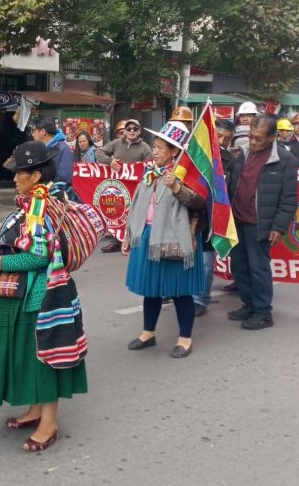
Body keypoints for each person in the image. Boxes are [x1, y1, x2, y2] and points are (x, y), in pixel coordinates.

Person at [0, 140, 87, 452]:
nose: (14, 178)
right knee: (29, 354)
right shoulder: (32, 202)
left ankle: (49, 423)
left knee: (42, 358)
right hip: (26, 293)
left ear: (36, 176)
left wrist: (3, 262)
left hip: (40, 296)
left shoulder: (39, 205)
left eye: (20, 172)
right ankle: (36, 410)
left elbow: (40, 255)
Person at [123, 121, 206, 358]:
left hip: (175, 240)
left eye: (161, 147)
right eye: (155, 146)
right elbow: (139, 204)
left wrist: (177, 187)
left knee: (180, 291)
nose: (155, 150)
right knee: (151, 289)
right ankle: (148, 333)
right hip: (148, 236)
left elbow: (199, 202)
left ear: (174, 152)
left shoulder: (185, 173)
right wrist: (130, 234)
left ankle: (185, 338)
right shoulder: (150, 172)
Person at [226, 115, 298, 330]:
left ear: (271, 137)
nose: (253, 142)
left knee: (259, 269)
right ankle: (248, 305)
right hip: (236, 220)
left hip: (260, 224)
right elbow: (233, 184)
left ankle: (263, 312)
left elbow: (289, 199)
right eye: (251, 137)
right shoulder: (243, 154)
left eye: (258, 139)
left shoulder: (285, 160)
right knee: (240, 266)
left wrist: (279, 227)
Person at [193, 119, 235, 316]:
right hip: (190, 217)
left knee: (206, 264)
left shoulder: (231, 161)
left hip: (211, 220)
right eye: (218, 135)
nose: (222, 141)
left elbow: (233, 191)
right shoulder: (194, 155)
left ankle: (201, 300)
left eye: (227, 138)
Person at [97, 119, 152, 252]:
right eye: (129, 129)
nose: (132, 131)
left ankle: (134, 240)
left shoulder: (145, 148)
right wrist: (109, 161)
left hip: (136, 187)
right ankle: (116, 241)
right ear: (125, 131)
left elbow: (150, 167)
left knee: (135, 214)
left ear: (139, 131)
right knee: (118, 213)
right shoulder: (116, 143)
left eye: (135, 129)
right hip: (118, 188)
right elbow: (99, 153)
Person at [29, 118, 74, 187]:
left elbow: (64, 179)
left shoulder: (62, 149)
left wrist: (46, 190)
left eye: (33, 131)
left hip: (55, 195)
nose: (32, 134)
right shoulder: (42, 148)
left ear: (42, 132)